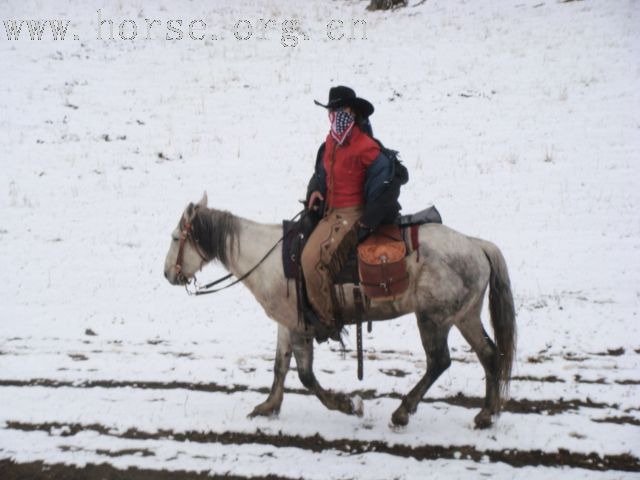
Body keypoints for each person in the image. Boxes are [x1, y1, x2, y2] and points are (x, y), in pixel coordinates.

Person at [301, 86, 406, 340]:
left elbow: (387, 177)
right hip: (331, 211)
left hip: (352, 213)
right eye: (332, 111)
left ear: (353, 112)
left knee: (310, 260)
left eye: (342, 111)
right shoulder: (328, 144)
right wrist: (315, 190)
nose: (336, 116)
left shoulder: (365, 146)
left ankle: (327, 321)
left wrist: (371, 217)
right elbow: (321, 175)